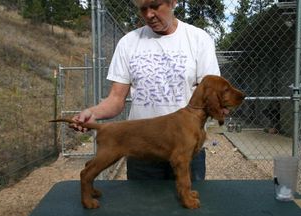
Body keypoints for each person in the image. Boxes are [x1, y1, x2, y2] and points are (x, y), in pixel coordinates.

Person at [70, 0, 220, 181]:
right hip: (142, 147)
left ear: (173, 2)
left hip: (186, 146)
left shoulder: (198, 39)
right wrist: (92, 113)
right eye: (143, 9)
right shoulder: (128, 43)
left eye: (155, 6)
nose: (149, 14)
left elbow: (211, 93)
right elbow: (116, 99)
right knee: (142, 207)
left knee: (188, 205)